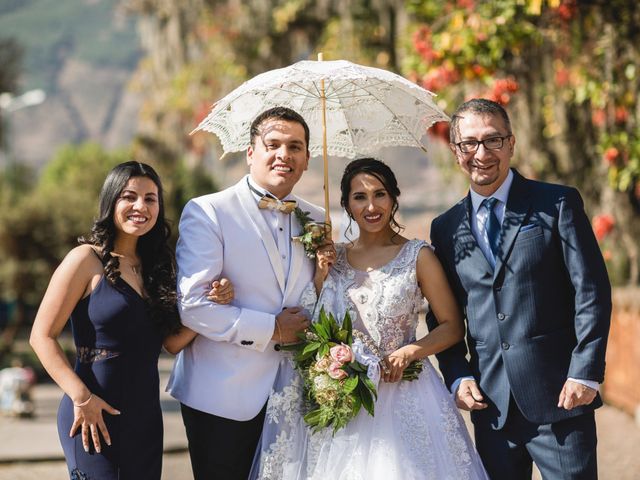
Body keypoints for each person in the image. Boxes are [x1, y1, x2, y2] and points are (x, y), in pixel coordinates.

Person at [250, 158, 489, 480]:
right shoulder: (331, 257)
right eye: (359, 197)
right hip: (342, 398)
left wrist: (409, 352)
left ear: (393, 198)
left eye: (380, 194)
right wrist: (320, 273)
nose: (371, 206)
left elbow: (451, 326)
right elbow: (312, 323)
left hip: (406, 394)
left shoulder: (419, 256)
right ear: (346, 204)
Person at [428, 98, 611, 479]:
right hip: (491, 409)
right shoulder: (445, 228)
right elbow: (442, 314)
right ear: (455, 151)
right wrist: (458, 375)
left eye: (493, 140)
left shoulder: (556, 203)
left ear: (511, 143)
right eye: (470, 143)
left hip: (561, 396)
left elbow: (591, 291)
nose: (482, 153)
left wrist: (585, 371)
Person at [29, 161, 231, 480]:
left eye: (150, 199)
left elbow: (172, 342)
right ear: (112, 202)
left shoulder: (157, 269)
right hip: (91, 414)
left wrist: (212, 304)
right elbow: (41, 336)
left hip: (145, 417)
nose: (141, 206)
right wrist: (81, 398)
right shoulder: (84, 260)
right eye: (129, 196)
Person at [166, 106, 323, 479]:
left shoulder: (319, 219)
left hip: (297, 397)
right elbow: (194, 307)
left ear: (305, 161)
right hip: (222, 397)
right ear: (250, 152)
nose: (284, 154)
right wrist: (273, 329)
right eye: (273, 144)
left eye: (295, 147)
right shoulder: (208, 211)